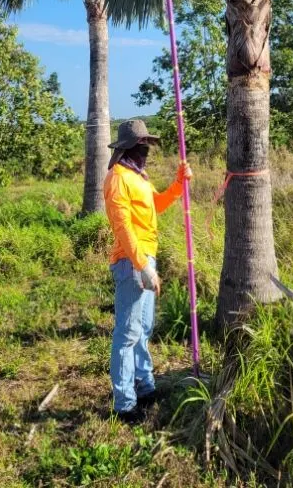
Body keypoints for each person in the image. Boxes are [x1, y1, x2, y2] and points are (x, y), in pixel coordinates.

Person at [103, 118, 192, 420]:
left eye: (147, 144)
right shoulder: (118, 178)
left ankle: (145, 386)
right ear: (128, 147)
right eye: (142, 144)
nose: (146, 149)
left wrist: (179, 183)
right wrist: (142, 266)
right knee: (127, 334)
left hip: (145, 259)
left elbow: (158, 204)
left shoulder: (138, 177)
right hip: (131, 261)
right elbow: (123, 226)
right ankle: (124, 404)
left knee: (143, 329)